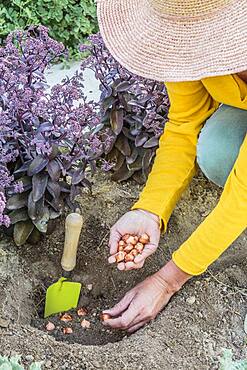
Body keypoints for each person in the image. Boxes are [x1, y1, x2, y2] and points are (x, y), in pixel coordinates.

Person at [97, 0, 247, 333]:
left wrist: (167, 280)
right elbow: (184, 124)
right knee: (219, 153)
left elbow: (243, 194)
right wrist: (150, 209)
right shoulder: (183, 45)